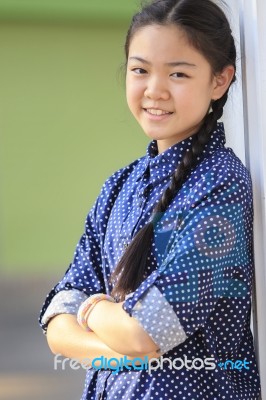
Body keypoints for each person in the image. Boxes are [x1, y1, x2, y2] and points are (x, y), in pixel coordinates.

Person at [39, 0, 261, 398]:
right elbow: (58, 318)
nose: (154, 90)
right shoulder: (119, 186)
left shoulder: (221, 184)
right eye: (140, 70)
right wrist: (119, 351)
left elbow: (145, 332)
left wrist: (93, 308)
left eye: (178, 73)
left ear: (219, 80)